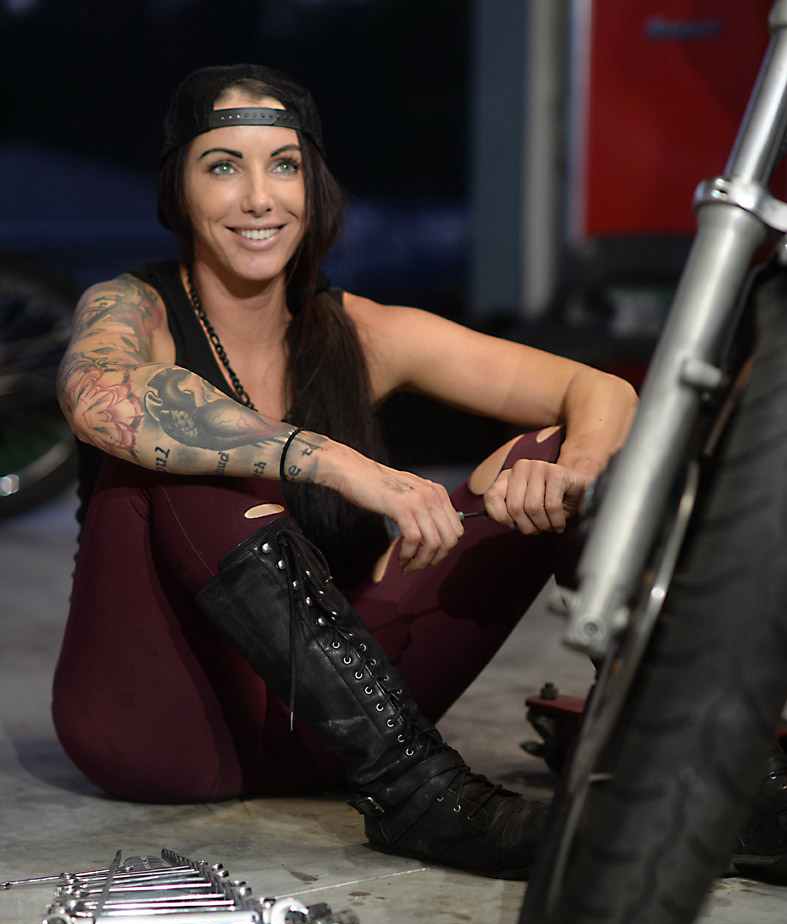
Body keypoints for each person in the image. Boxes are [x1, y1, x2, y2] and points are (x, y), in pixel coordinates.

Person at [53, 64, 638, 880]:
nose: (259, 197)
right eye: (222, 166)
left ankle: (670, 751)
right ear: (178, 189)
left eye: (283, 165)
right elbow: (98, 392)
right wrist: (337, 462)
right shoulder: (131, 307)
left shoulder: (357, 330)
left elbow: (601, 390)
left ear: (313, 184)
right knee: (191, 447)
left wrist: (569, 473)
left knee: (555, 454)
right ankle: (418, 795)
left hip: (332, 731)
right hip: (162, 729)